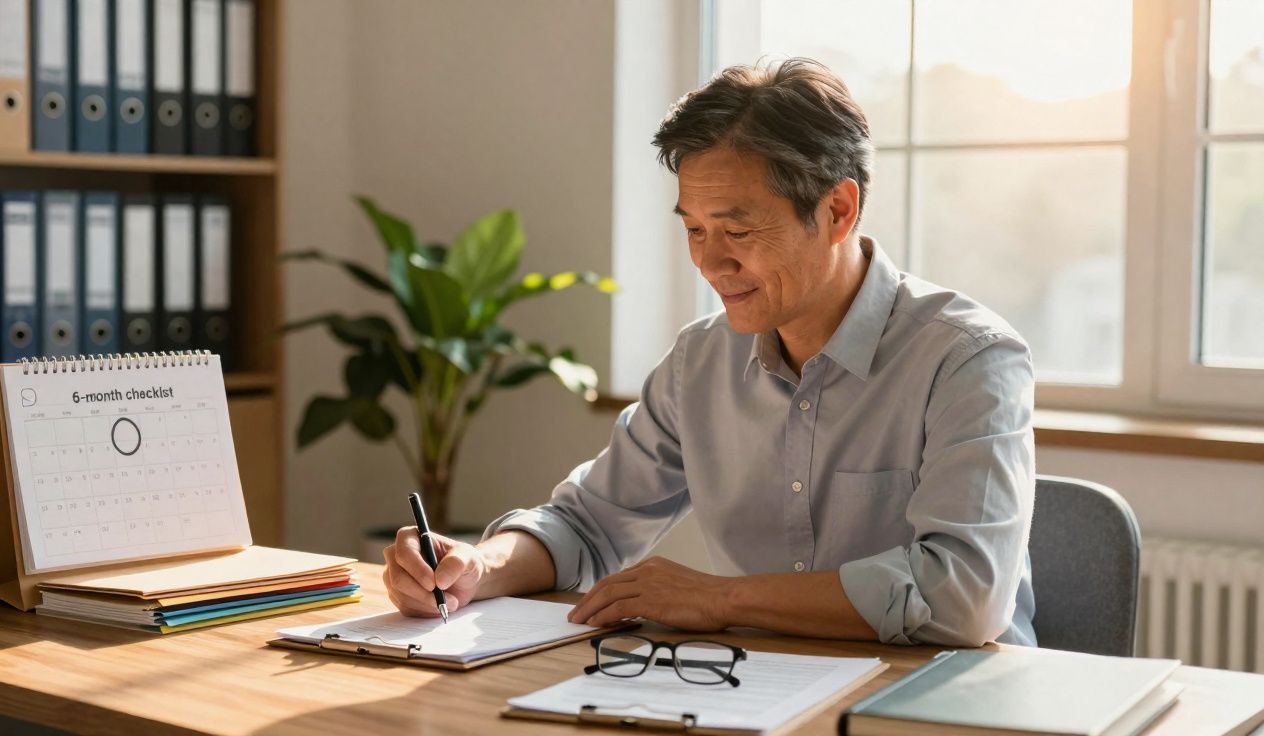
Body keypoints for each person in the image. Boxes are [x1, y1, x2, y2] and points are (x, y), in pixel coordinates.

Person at [383, 58, 1036, 647]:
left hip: (944, 701)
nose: (711, 262)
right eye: (694, 230)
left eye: (738, 229)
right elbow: (587, 524)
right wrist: (478, 567)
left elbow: (962, 598)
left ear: (838, 210)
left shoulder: (969, 359)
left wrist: (720, 599)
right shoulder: (702, 361)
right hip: (764, 688)